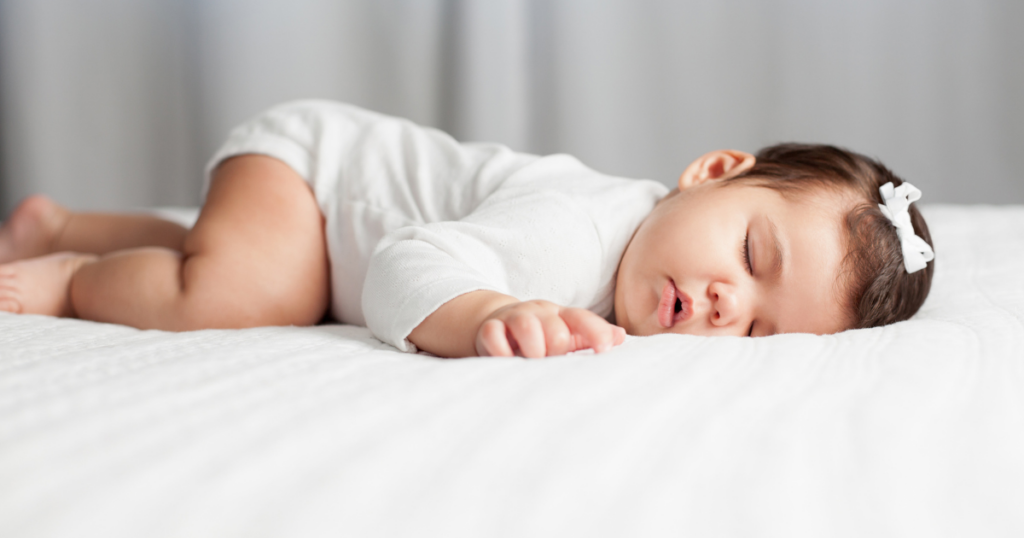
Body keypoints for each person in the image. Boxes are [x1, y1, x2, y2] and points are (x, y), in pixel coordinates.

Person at [0, 100, 935, 358]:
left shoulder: (652, 268)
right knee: (248, 292)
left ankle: (60, 223)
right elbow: (409, 263)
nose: (732, 304)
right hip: (313, 176)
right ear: (714, 174)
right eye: (750, 254)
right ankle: (71, 276)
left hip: (316, 213)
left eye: (765, 328)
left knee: (238, 255)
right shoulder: (574, 232)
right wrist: (482, 309)